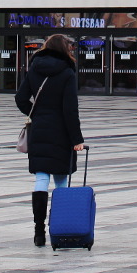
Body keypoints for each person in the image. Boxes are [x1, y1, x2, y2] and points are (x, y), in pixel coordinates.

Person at [15, 34, 85, 247]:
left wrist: (36, 114)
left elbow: (20, 98)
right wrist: (77, 139)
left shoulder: (35, 67)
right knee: (61, 180)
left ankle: (38, 231)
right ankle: (60, 226)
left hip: (40, 131)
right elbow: (70, 109)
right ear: (64, 49)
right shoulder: (67, 72)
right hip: (61, 132)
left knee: (41, 179)